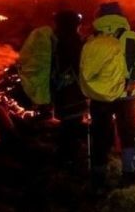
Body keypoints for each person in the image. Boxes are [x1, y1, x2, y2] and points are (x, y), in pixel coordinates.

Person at [80, 1, 135, 192]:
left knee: (99, 135)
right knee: (128, 135)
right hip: (125, 95)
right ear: (121, 16)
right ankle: (129, 175)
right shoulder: (130, 36)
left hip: (99, 97)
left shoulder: (91, 39)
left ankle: (98, 178)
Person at [51, 10, 88, 166]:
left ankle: (65, 154)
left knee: (67, 122)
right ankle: (68, 157)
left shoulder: (56, 39)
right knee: (72, 124)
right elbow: (79, 66)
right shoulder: (72, 41)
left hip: (59, 89)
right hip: (72, 90)